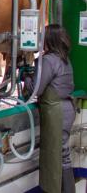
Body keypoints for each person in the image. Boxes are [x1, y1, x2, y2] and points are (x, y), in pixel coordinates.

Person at [25, 24, 76, 193]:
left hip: (56, 112)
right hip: (67, 107)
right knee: (62, 154)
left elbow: (36, 90)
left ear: (48, 40)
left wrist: (26, 78)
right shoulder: (64, 58)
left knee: (56, 156)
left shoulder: (48, 60)